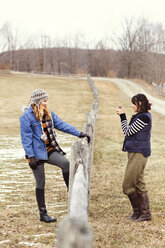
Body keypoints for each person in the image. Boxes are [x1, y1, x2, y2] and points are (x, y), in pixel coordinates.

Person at [20, 89, 90, 223]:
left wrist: (79, 133)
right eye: (44, 101)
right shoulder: (26, 117)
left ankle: (73, 195)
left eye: (46, 101)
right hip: (36, 154)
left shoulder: (48, 113)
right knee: (41, 182)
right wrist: (31, 156)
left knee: (66, 164)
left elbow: (61, 124)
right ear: (38, 102)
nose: (46, 104)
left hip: (50, 149)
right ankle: (43, 214)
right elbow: (26, 139)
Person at [117, 93, 152, 222]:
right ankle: (141, 214)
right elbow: (129, 131)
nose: (132, 106)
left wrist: (122, 116)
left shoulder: (143, 118)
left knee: (127, 185)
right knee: (138, 183)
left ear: (140, 104)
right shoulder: (139, 116)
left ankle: (142, 213)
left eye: (134, 103)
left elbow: (127, 131)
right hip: (134, 152)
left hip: (139, 153)